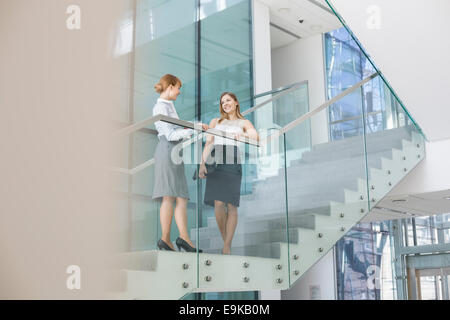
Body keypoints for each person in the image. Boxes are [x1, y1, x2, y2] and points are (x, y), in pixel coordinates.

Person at [152, 74, 208, 252]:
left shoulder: (168, 106)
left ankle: (180, 239)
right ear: (169, 87)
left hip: (174, 152)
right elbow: (170, 135)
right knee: (170, 196)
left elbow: (176, 128)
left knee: (180, 196)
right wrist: (192, 130)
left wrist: (194, 126)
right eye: (178, 87)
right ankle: (169, 239)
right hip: (168, 150)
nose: (179, 91)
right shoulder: (160, 107)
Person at [198, 92, 259, 255]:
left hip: (233, 159)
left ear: (236, 102)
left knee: (231, 204)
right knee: (218, 203)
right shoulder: (215, 121)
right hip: (215, 158)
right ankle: (226, 241)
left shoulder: (243, 122)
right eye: (222, 102)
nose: (225, 104)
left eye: (228, 100)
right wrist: (202, 163)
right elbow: (209, 143)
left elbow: (255, 136)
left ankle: (227, 245)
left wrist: (243, 135)